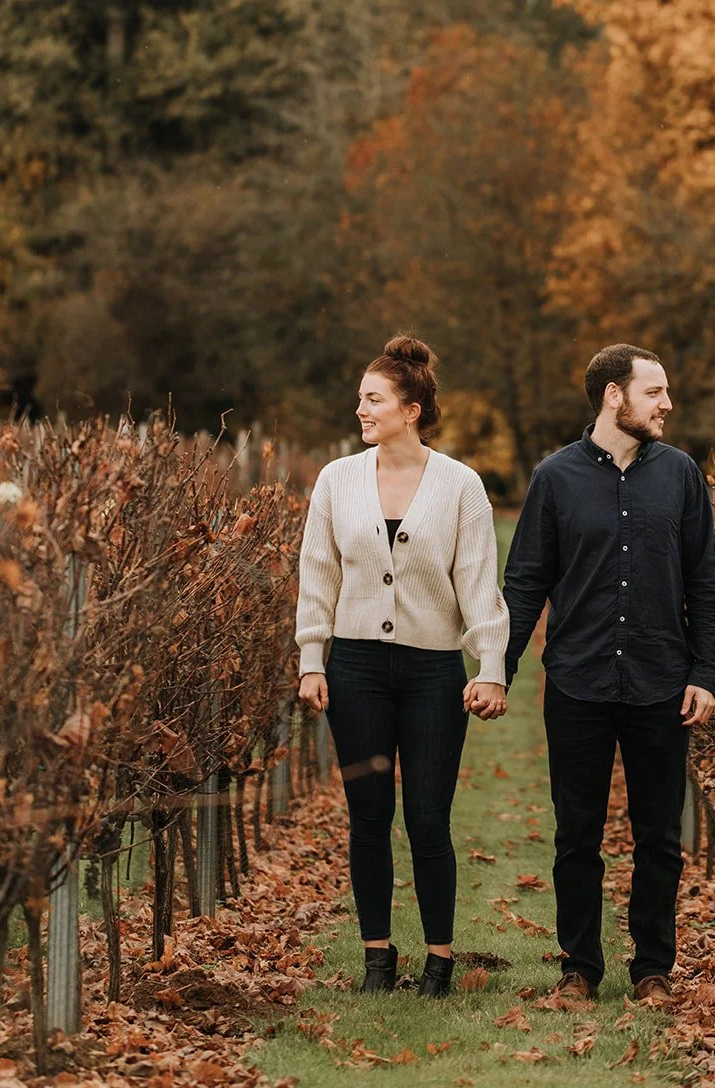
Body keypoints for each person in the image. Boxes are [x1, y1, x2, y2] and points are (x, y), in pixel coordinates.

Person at [502, 343, 715, 1002]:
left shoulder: (680, 476)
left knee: (657, 835)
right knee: (577, 835)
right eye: (653, 392)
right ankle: (579, 968)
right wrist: (497, 669)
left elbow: (704, 585)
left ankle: (653, 968)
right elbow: (525, 585)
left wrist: (705, 672)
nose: (666, 404)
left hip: (662, 681)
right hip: (577, 679)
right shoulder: (554, 478)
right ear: (613, 395)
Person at [296, 335, 509, 998]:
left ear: (410, 409)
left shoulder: (459, 486)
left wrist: (491, 665)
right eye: (361, 399)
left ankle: (439, 962)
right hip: (355, 669)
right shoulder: (336, 481)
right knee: (367, 816)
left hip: (431, 675)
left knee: (426, 818)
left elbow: (477, 582)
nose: (361, 410)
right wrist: (312, 657)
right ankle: (376, 959)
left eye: (373, 399)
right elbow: (318, 573)